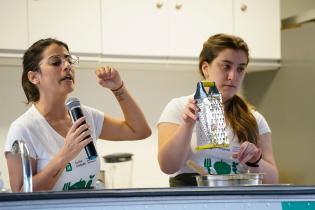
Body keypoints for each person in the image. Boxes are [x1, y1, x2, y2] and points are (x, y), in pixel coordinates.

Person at [4, 38, 151, 192]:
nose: (67, 66)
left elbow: (139, 130)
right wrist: (64, 156)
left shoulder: (85, 116)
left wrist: (118, 88)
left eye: (69, 61)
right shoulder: (23, 129)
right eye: (56, 62)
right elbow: (21, 195)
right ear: (34, 77)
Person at [157, 33, 278, 186]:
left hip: (236, 202)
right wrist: (187, 125)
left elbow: (272, 181)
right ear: (206, 68)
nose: (233, 76)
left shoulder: (254, 119)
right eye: (226, 66)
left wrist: (255, 160)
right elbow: (167, 166)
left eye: (240, 69)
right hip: (189, 201)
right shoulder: (178, 108)